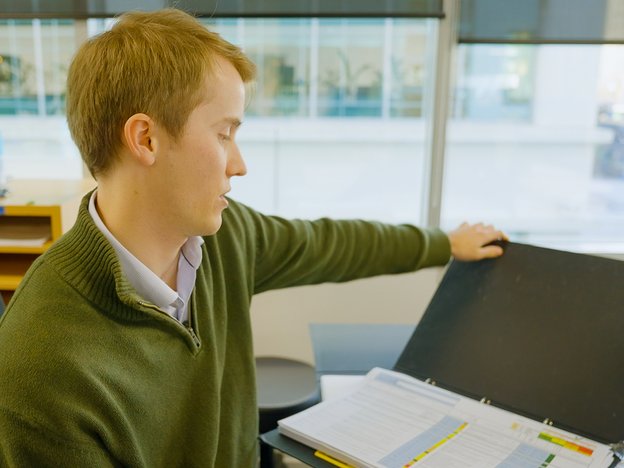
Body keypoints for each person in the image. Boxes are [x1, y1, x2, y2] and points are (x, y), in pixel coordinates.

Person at [0, 8, 506, 467]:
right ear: (146, 139)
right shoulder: (40, 366)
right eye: (224, 134)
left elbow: (328, 244)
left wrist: (444, 245)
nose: (239, 165)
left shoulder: (226, 235)